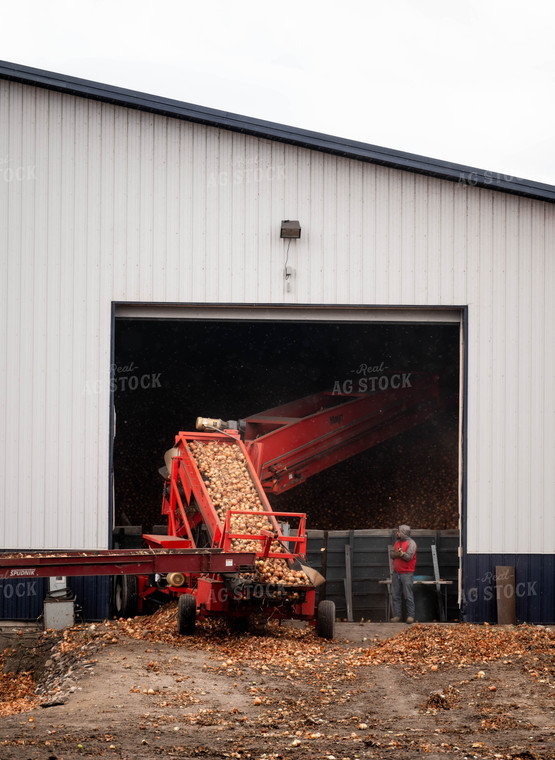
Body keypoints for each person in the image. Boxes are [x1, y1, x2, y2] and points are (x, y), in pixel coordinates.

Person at [389, 524, 417, 623]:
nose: (397, 533)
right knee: (395, 595)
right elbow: (391, 554)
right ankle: (397, 616)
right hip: (396, 573)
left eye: (399, 531)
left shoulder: (411, 543)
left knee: (408, 595)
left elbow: (409, 557)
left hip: (407, 573)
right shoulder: (397, 543)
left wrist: (401, 554)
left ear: (404, 533)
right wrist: (396, 554)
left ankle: (410, 616)